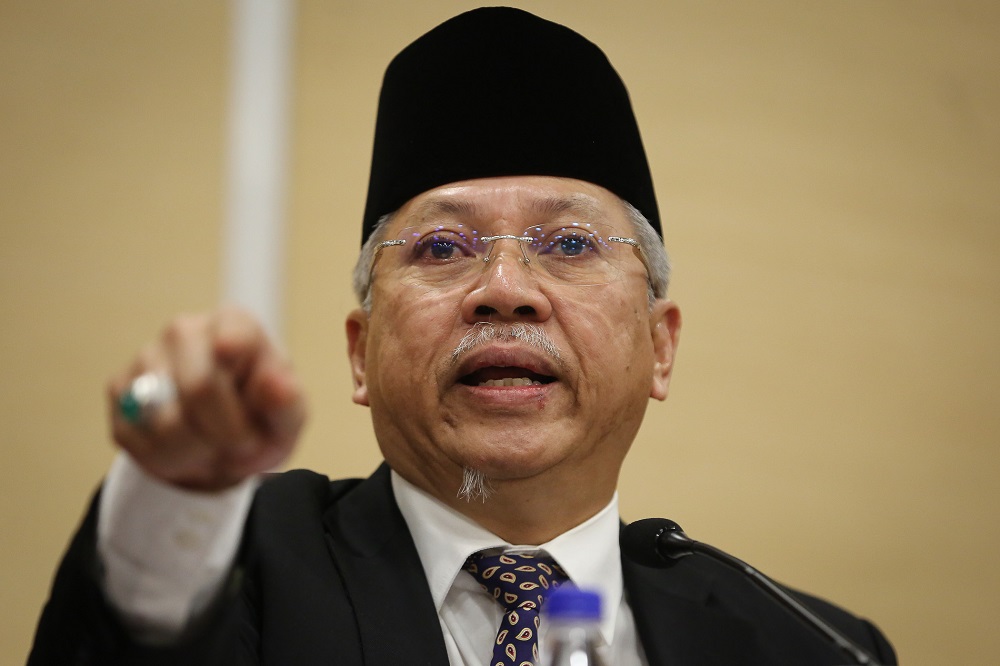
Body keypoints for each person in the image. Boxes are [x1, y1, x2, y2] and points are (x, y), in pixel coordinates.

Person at [28, 7, 896, 665]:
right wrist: (173, 483)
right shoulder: (244, 567)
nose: (506, 291)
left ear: (660, 346)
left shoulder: (810, 645)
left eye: (569, 244)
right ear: (360, 352)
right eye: (442, 248)